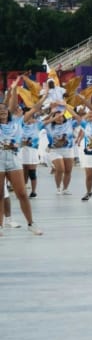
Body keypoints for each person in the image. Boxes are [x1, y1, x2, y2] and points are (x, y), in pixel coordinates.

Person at [0, 81, 44, 234]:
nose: (3, 112)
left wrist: (46, 97)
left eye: (4, 110)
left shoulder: (18, 122)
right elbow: (9, 104)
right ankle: (0, 226)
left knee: (22, 193)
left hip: (13, 161)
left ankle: (31, 224)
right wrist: (12, 91)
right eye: (0, 110)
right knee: (0, 194)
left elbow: (35, 108)